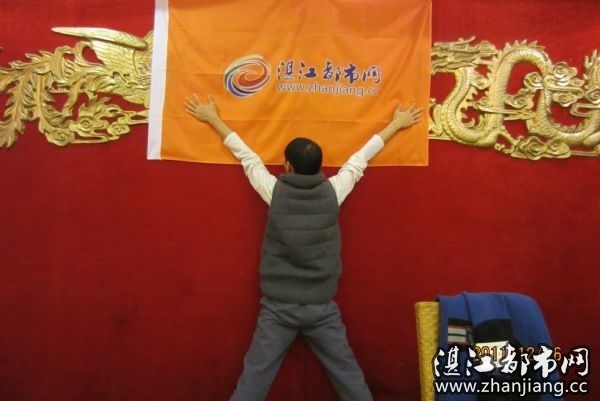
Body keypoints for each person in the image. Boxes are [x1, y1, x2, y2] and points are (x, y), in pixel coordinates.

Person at [184, 94, 423, 401]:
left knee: (254, 380)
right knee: (348, 376)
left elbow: (248, 157)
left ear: (287, 166)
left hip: (278, 307)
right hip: (321, 307)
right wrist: (397, 124)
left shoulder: (274, 191)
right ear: (319, 166)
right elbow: (360, 158)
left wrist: (213, 118)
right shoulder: (334, 191)